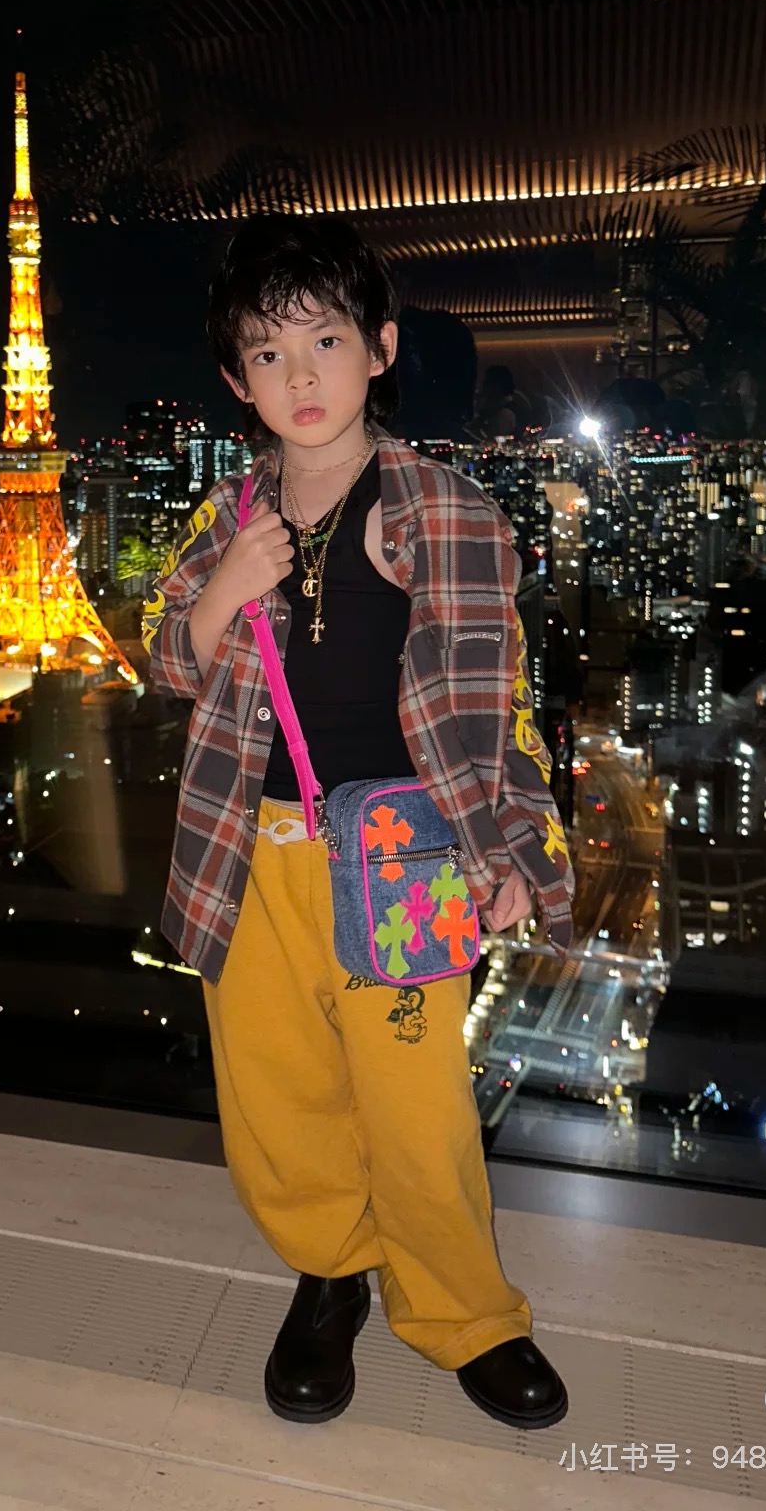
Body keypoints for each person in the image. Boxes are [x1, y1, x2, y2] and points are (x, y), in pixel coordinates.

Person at [141, 221, 576, 1431]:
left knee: (415, 1105)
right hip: (247, 850)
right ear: (237, 380)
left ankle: (464, 1314)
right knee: (277, 1098)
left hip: (407, 858)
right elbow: (167, 662)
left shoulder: (444, 509)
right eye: (268, 353)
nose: (302, 376)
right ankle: (330, 1271)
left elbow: (500, 701)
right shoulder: (226, 515)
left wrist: (517, 851)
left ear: (379, 349)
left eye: (326, 342)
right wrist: (224, 592)